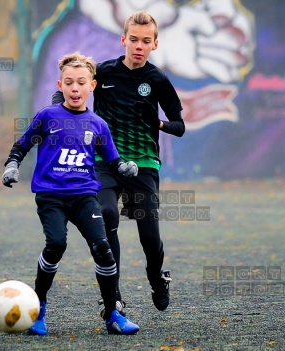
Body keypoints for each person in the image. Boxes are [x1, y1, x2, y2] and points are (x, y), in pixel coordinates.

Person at [52, 11, 185, 314]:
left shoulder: (157, 80)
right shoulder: (106, 72)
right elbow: (77, 85)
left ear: (155, 44)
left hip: (144, 164)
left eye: (146, 41)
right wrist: (56, 101)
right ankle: (113, 296)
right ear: (124, 39)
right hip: (104, 159)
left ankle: (156, 278)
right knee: (107, 213)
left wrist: (160, 124)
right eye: (134, 39)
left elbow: (180, 126)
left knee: (149, 235)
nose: (139, 45)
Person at [2, 51, 140, 335]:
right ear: (60, 85)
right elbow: (23, 144)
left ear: (92, 86)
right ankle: (37, 309)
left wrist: (125, 167)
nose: (75, 88)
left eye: (81, 82)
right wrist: (12, 165)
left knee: (102, 248)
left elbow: (112, 160)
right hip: (51, 196)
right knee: (56, 245)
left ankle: (113, 313)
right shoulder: (48, 116)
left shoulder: (98, 124)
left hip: (84, 196)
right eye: (69, 83)